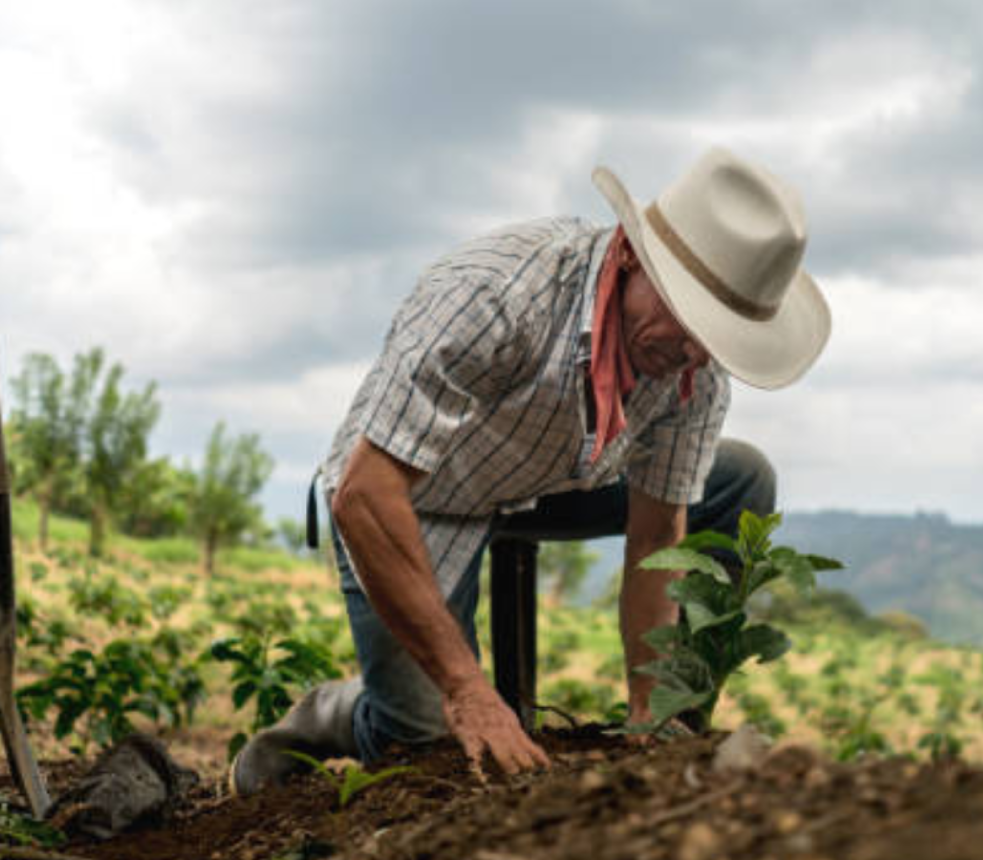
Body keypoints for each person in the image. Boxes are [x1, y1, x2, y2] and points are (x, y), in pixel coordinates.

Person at [230, 147, 832, 793]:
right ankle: (338, 712)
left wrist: (648, 716)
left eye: (715, 337)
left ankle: (675, 728)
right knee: (428, 743)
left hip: (550, 479)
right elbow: (366, 494)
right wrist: (467, 690)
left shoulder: (691, 368)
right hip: (416, 493)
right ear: (631, 255)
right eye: (689, 321)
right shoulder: (498, 296)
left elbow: (659, 536)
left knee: (741, 478)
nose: (694, 353)